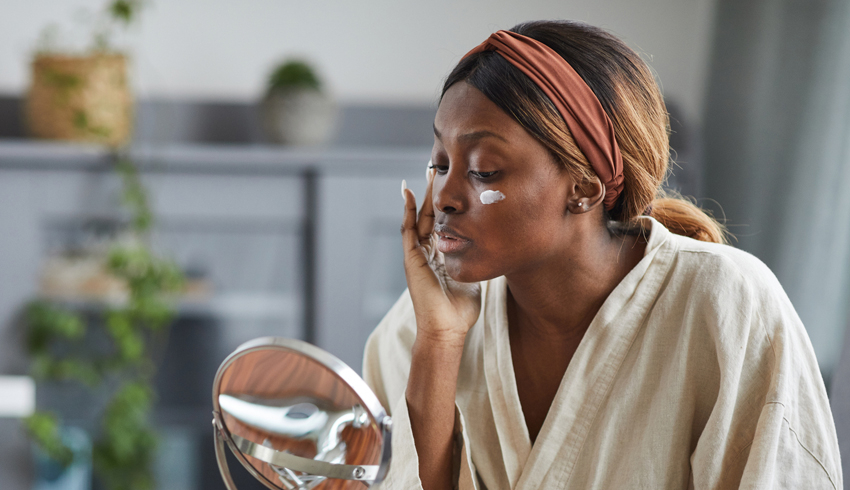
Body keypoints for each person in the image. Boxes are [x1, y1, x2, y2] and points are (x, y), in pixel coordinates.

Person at [363, 20, 842, 489]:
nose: (444, 196)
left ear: (583, 188)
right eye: (439, 163)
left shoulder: (729, 307)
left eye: (484, 170)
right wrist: (439, 343)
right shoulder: (420, 323)